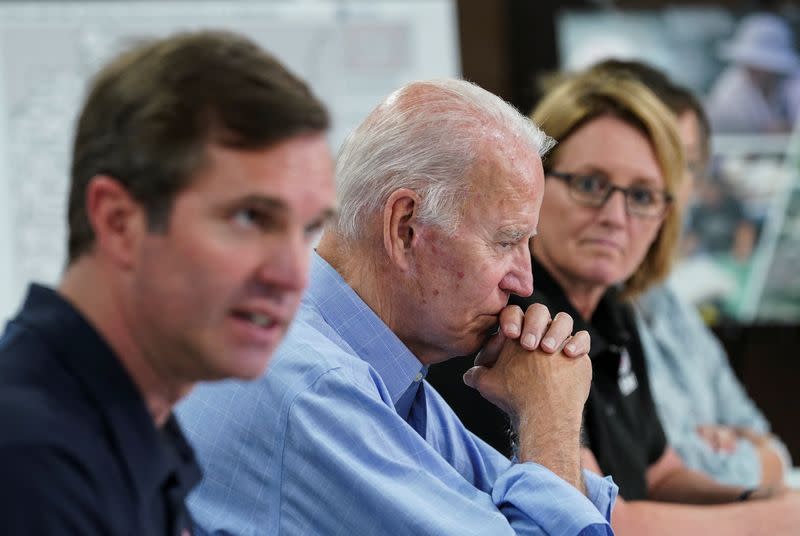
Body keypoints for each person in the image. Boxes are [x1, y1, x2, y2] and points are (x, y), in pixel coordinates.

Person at [177, 79, 617, 535]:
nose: (524, 282)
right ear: (405, 228)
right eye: (505, 241)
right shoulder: (315, 387)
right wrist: (548, 418)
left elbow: (535, 509)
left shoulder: (370, 364)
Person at [429, 68, 800, 535]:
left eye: (641, 196)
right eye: (590, 185)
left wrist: (758, 497)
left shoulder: (614, 310)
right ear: (535, 182)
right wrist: (769, 520)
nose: (615, 217)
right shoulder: (514, 316)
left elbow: (659, 472)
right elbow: (595, 515)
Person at [0, 30, 336, 534]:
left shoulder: (136, 419)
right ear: (119, 222)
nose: (293, 276)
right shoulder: (30, 463)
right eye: (250, 217)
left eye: (309, 228)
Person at [589, 59, 791, 490]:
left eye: (681, 164)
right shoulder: (592, 302)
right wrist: (753, 458)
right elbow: (664, 471)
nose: (664, 184)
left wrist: (753, 449)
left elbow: (765, 436)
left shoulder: (666, 301)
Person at [705, 12, 800, 133]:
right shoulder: (732, 83)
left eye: (759, 62)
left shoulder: (795, 84)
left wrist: (790, 130)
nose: (751, 68)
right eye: (748, 61)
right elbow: (716, 121)